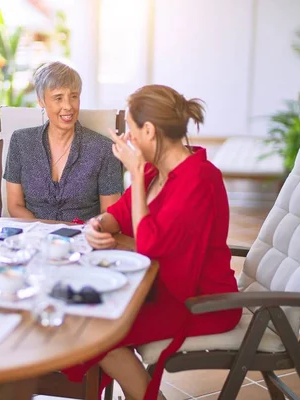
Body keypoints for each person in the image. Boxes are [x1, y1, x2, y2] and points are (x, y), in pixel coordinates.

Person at [64, 85, 242, 400]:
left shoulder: (198, 180)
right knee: (87, 314)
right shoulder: (154, 170)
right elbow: (119, 214)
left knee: (100, 333)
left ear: (149, 130)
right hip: (157, 287)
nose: (128, 139)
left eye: (131, 130)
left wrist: (132, 172)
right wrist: (97, 225)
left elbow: (149, 246)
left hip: (199, 301)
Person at [3, 61, 123, 222]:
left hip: (85, 238)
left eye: (73, 96)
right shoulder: (21, 142)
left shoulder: (104, 149)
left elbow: (109, 213)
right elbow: (15, 205)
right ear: (41, 101)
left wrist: (92, 231)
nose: (68, 106)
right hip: (34, 238)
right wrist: (44, 234)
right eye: (58, 98)